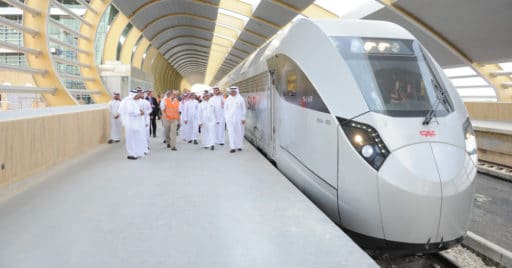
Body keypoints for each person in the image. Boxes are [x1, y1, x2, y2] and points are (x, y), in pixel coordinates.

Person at [118, 88, 146, 160]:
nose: (138, 96)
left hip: (136, 122)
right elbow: (130, 112)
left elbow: (137, 109)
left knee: (136, 138)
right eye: (137, 94)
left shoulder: (135, 101)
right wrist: (140, 113)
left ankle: (136, 152)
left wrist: (140, 111)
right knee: (131, 139)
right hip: (130, 123)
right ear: (133, 95)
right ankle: (131, 154)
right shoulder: (129, 101)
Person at [224, 86, 246, 153]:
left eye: (233, 91)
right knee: (231, 133)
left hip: (239, 119)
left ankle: (239, 146)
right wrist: (226, 118)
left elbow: (243, 109)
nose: (232, 92)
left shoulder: (240, 99)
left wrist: (243, 118)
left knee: (239, 132)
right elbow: (225, 109)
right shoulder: (228, 99)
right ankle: (232, 147)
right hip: (230, 119)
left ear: (236, 91)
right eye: (231, 91)